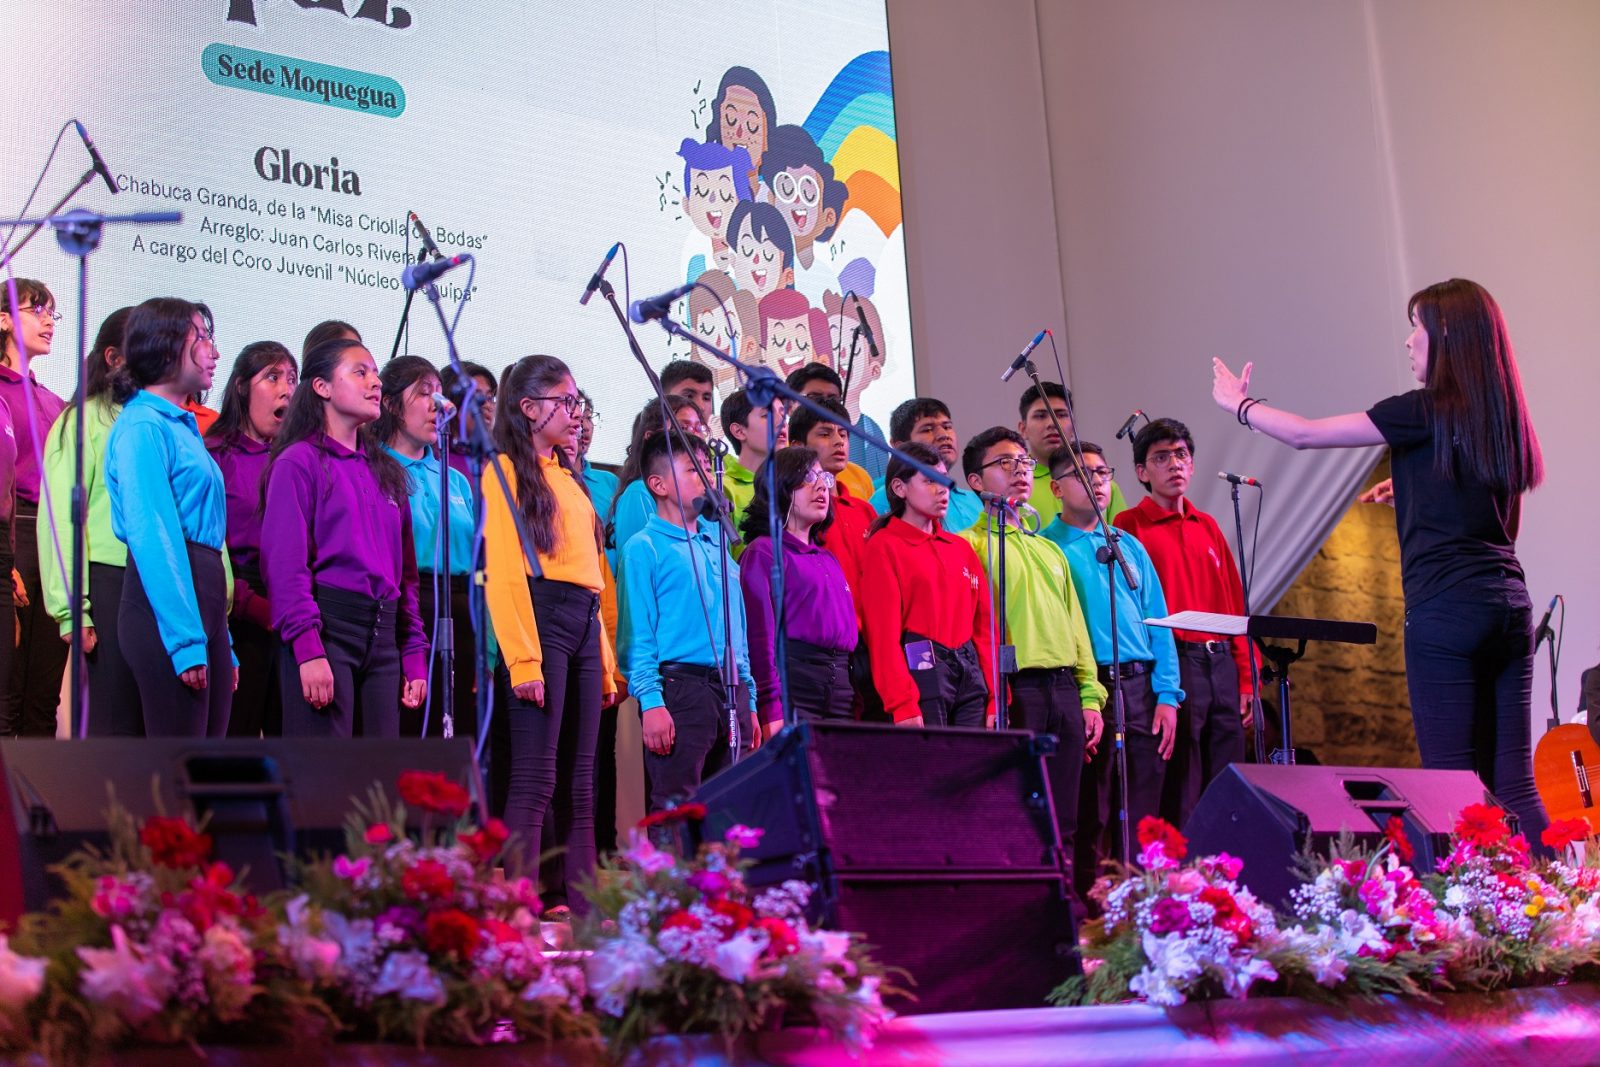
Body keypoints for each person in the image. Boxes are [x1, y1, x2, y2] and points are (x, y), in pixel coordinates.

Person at [1211, 277, 1550, 847]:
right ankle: (1557, 891)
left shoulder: (1422, 410)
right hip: (1509, 607)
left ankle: (1466, 899)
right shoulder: (1503, 419)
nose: (1409, 341)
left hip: (1446, 611)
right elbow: (1499, 525)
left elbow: (1305, 435)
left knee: (1453, 784)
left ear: (1445, 333)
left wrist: (1240, 406)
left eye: (1416, 327)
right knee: (1515, 783)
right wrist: (1418, 489)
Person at [482, 354, 620, 908]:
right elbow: (503, 572)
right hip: (540, 623)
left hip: (583, 625)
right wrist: (523, 660)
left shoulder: (570, 478)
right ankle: (520, 910)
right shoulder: (504, 471)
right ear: (528, 407)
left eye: (576, 401)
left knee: (581, 782)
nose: (575, 412)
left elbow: (594, 579)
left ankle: (584, 911)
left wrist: (605, 664)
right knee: (535, 778)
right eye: (564, 401)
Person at [262, 337, 428, 738]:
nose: (376, 382)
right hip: (328, 630)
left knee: (379, 771)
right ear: (322, 387)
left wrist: (413, 651)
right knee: (325, 768)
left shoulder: (386, 472)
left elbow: (406, 576)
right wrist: (308, 649)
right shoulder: (298, 462)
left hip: (383, 638)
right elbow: (285, 566)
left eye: (375, 373)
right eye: (360, 372)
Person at [1041, 441, 1182, 899]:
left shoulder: (1128, 545)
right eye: (1084, 475)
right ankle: (1092, 908)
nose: (1098, 483)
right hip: (1090, 685)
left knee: (1143, 807)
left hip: (1141, 685)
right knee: (1092, 806)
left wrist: (1167, 694)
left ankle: (1143, 904)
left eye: (1103, 473)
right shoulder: (1048, 547)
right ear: (1057, 488)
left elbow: (1159, 621)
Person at [961, 427, 1106, 854]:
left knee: (1065, 822)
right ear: (975, 481)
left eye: (1024, 462)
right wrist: (992, 696)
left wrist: (1089, 696)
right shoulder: (969, 546)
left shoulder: (1049, 549)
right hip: (1014, 689)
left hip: (1064, 690)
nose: (1020, 471)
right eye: (1005, 463)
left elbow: (1076, 628)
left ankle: (1065, 894)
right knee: (1014, 818)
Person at [1113, 417, 1254, 827]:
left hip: (1220, 662)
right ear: (1142, 472)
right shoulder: (1128, 526)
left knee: (1228, 775)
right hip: (1174, 660)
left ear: (1192, 464)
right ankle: (1184, 864)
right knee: (1183, 778)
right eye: (1161, 457)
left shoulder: (1207, 525)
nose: (1174, 464)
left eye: (1181, 455)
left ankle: (1228, 862)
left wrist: (1246, 676)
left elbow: (1233, 603)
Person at [104, 298, 235, 737]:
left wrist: (222, 637)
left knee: (208, 762)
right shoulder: (143, 425)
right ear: (165, 344)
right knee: (179, 764)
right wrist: (184, 640)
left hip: (203, 602)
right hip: (167, 607)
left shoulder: (180, 425)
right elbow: (153, 535)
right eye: (203, 338)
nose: (214, 352)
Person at [619, 430, 758, 813]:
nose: (707, 478)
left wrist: (749, 697)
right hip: (681, 690)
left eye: (708, 470)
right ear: (659, 484)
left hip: (730, 689)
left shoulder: (718, 544)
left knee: (731, 811)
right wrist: (652, 702)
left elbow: (737, 630)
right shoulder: (644, 548)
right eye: (693, 469)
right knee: (676, 810)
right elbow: (636, 638)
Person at [41, 307, 140, 735]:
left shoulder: (154, 421)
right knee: (115, 720)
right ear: (114, 357)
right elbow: (62, 519)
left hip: (156, 580)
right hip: (108, 581)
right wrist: (72, 610)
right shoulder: (81, 420)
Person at [376, 355, 478, 742]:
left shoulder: (455, 478)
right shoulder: (376, 468)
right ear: (390, 404)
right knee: (408, 725)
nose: (437, 404)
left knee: (456, 728)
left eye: (439, 392)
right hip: (408, 602)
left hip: (460, 607)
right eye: (423, 393)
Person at [859, 443, 995, 728]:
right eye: (930, 481)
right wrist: (901, 703)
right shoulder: (884, 546)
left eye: (944, 480)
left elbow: (985, 630)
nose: (942, 489)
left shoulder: (960, 548)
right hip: (922, 672)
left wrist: (997, 697)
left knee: (975, 756)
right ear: (899, 488)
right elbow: (883, 637)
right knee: (933, 757)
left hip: (970, 675)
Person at [206, 340, 297, 738]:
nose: (286, 390)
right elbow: (209, 547)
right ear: (242, 386)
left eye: (292, 379)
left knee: (290, 744)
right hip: (237, 609)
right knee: (234, 740)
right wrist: (251, 605)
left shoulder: (298, 458)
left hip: (294, 608)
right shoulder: (214, 454)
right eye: (272, 377)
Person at [739, 446, 859, 738]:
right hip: (796, 684)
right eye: (807, 478)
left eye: (824, 478)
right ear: (779, 487)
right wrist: (770, 707)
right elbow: (759, 637)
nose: (821, 487)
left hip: (841, 685)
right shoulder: (763, 552)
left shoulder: (827, 557)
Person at [0, 279, 67, 736]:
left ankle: (41, 783)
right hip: (16, 533)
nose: (48, 321)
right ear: (4, 319)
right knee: (6, 690)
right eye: (36, 309)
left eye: (52, 313)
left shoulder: (54, 402)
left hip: (55, 541)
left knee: (44, 696)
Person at [606, 394, 710, 570]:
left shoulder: (708, 496)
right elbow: (637, 566)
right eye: (683, 427)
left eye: (699, 428)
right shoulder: (639, 493)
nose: (694, 435)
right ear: (651, 438)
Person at [1016, 381, 1128, 526]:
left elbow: (1121, 537)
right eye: (1041, 416)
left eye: (1061, 415)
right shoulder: (1017, 484)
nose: (1052, 423)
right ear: (1023, 429)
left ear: (1074, 425)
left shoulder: (1103, 484)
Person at [868, 398, 984, 533]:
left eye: (947, 427)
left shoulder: (973, 500)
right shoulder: (883, 499)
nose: (944, 435)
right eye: (928, 429)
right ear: (900, 447)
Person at [785, 362, 873, 500]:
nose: (825, 406)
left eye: (833, 400)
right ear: (789, 406)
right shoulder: (773, 469)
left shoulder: (859, 477)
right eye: (814, 398)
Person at [719, 387, 788, 548]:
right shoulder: (724, 489)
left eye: (783, 414)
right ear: (739, 431)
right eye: (767, 415)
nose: (781, 422)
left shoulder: (795, 484)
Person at [439, 359, 498, 481]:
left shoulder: (499, 461)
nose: (488, 405)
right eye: (477, 397)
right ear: (450, 402)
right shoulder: (438, 461)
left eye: (490, 397)